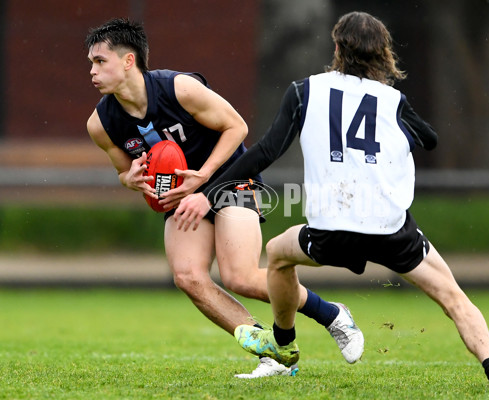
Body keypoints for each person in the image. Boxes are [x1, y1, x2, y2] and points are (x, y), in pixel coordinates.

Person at [174, 11, 489, 393]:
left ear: (336, 48)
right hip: (390, 228)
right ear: (383, 54)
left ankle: (284, 349)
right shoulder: (393, 100)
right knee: (453, 297)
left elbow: (266, 151)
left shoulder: (305, 90)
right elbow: (429, 138)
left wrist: (209, 187)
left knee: (277, 255)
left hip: (331, 230)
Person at [84, 17, 364, 379]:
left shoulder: (179, 88)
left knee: (241, 276)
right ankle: (272, 354)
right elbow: (124, 172)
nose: (91, 71)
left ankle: (333, 315)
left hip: (233, 180)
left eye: (99, 61)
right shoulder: (100, 124)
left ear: (128, 61)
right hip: (182, 195)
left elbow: (238, 127)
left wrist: (204, 176)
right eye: (90, 62)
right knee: (187, 276)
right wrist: (133, 179)